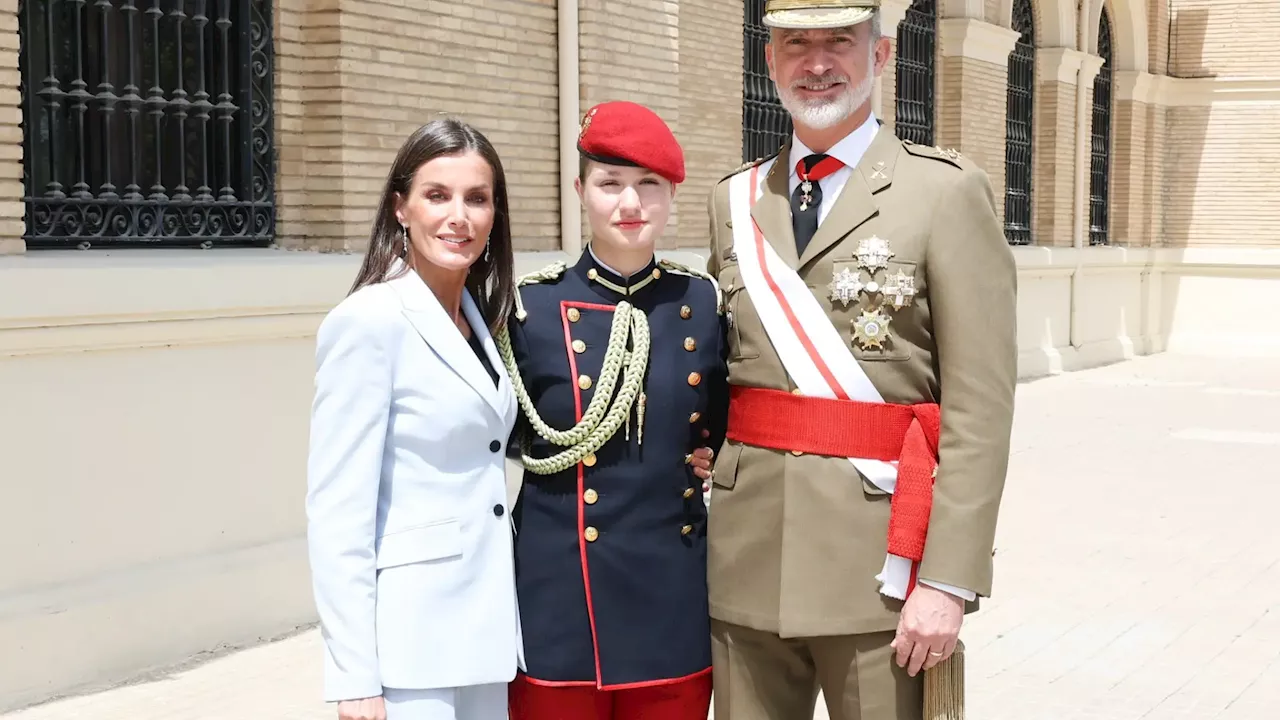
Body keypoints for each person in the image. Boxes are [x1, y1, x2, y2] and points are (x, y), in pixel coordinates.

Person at [703, 1, 1018, 719]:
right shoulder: (733, 200)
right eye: (795, 45)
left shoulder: (943, 193)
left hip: (882, 572)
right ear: (770, 61)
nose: (816, 63)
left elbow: (981, 410)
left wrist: (948, 579)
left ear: (879, 57)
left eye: (838, 43)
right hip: (746, 563)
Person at [494, 100, 725, 720]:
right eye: (610, 184)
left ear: (672, 195)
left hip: (671, 601)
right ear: (580, 190)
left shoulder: (702, 304)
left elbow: (728, 426)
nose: (631, 204)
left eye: (650, 186)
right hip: (559, 601)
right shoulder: (526, 310)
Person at [306, 118, 522, 720]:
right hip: (408, 648)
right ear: (401, 207)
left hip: (485, 636)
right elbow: (337, 512)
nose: (460, 216)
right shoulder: (368, 322)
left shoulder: (482, 319)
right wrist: (354, 676)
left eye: (477, 199)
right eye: (437, 195)